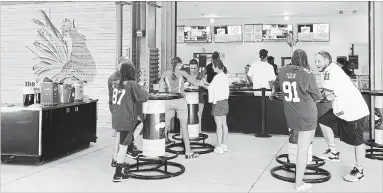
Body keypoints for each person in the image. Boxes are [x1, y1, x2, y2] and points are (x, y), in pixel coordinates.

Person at [315, 51, 369, 182]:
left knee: (357, 142)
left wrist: (313, 95)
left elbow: (327, 95)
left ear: (327, 60)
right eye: (315, 61)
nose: (316, 64)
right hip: (341, 110)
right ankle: (333, 152)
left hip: (354, 112)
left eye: (319, 61)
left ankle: (359, 170)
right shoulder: (333, 69)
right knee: (323, 121)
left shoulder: (328, 71)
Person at [272, 49, 322, 191]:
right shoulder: (307, 74)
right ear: (305, 59)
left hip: (291, 115)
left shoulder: (282, 71)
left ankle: (298, 174)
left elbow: (275, 87)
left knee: (300, 146)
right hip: (307, 115)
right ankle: (298, 183)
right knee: (303, 149)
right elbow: (317, 96)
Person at [159, 57, 208, 159]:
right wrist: (208, 85)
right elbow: (196, 83)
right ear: (180, 64)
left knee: (166, 126)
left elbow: (161, 89)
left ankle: (160, 150)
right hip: (180, 101)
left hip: (168, 101)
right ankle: (188, 151)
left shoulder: (164, 74)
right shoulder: (183, 73)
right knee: (184, 127)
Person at [110, 60, 149, 182]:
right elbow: (144, 97)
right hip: (127, 119)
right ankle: (117, 175)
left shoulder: (116, 83)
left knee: (138, 125)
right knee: (123, 146)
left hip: (117, 119)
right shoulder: (132, 84)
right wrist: (140, 86)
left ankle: (130, 147)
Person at [203, 58, 230, 154]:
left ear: (217, 66)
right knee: (224, 124)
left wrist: (202, 85)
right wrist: (206, 84)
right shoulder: (224, 76)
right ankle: (224, 145)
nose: (212, 68)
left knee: (218, 125)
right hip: (225, 102)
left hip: (217, 103)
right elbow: (214, 86)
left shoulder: (217, 77)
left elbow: (211, 88)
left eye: (213, 66)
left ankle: (218, 147)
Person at [186, 59, 205, 132]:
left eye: (194, 68)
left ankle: (198, 133)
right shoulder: (187, 76)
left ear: (197, 68)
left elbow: (203, 83)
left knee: (198, 117)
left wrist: (197, 83)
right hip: (188, 100)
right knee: (188, 117)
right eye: (191, 68)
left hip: (199, 99)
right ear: (189, 68)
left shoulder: (201, 75)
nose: (193, 70)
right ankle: (188, 134)